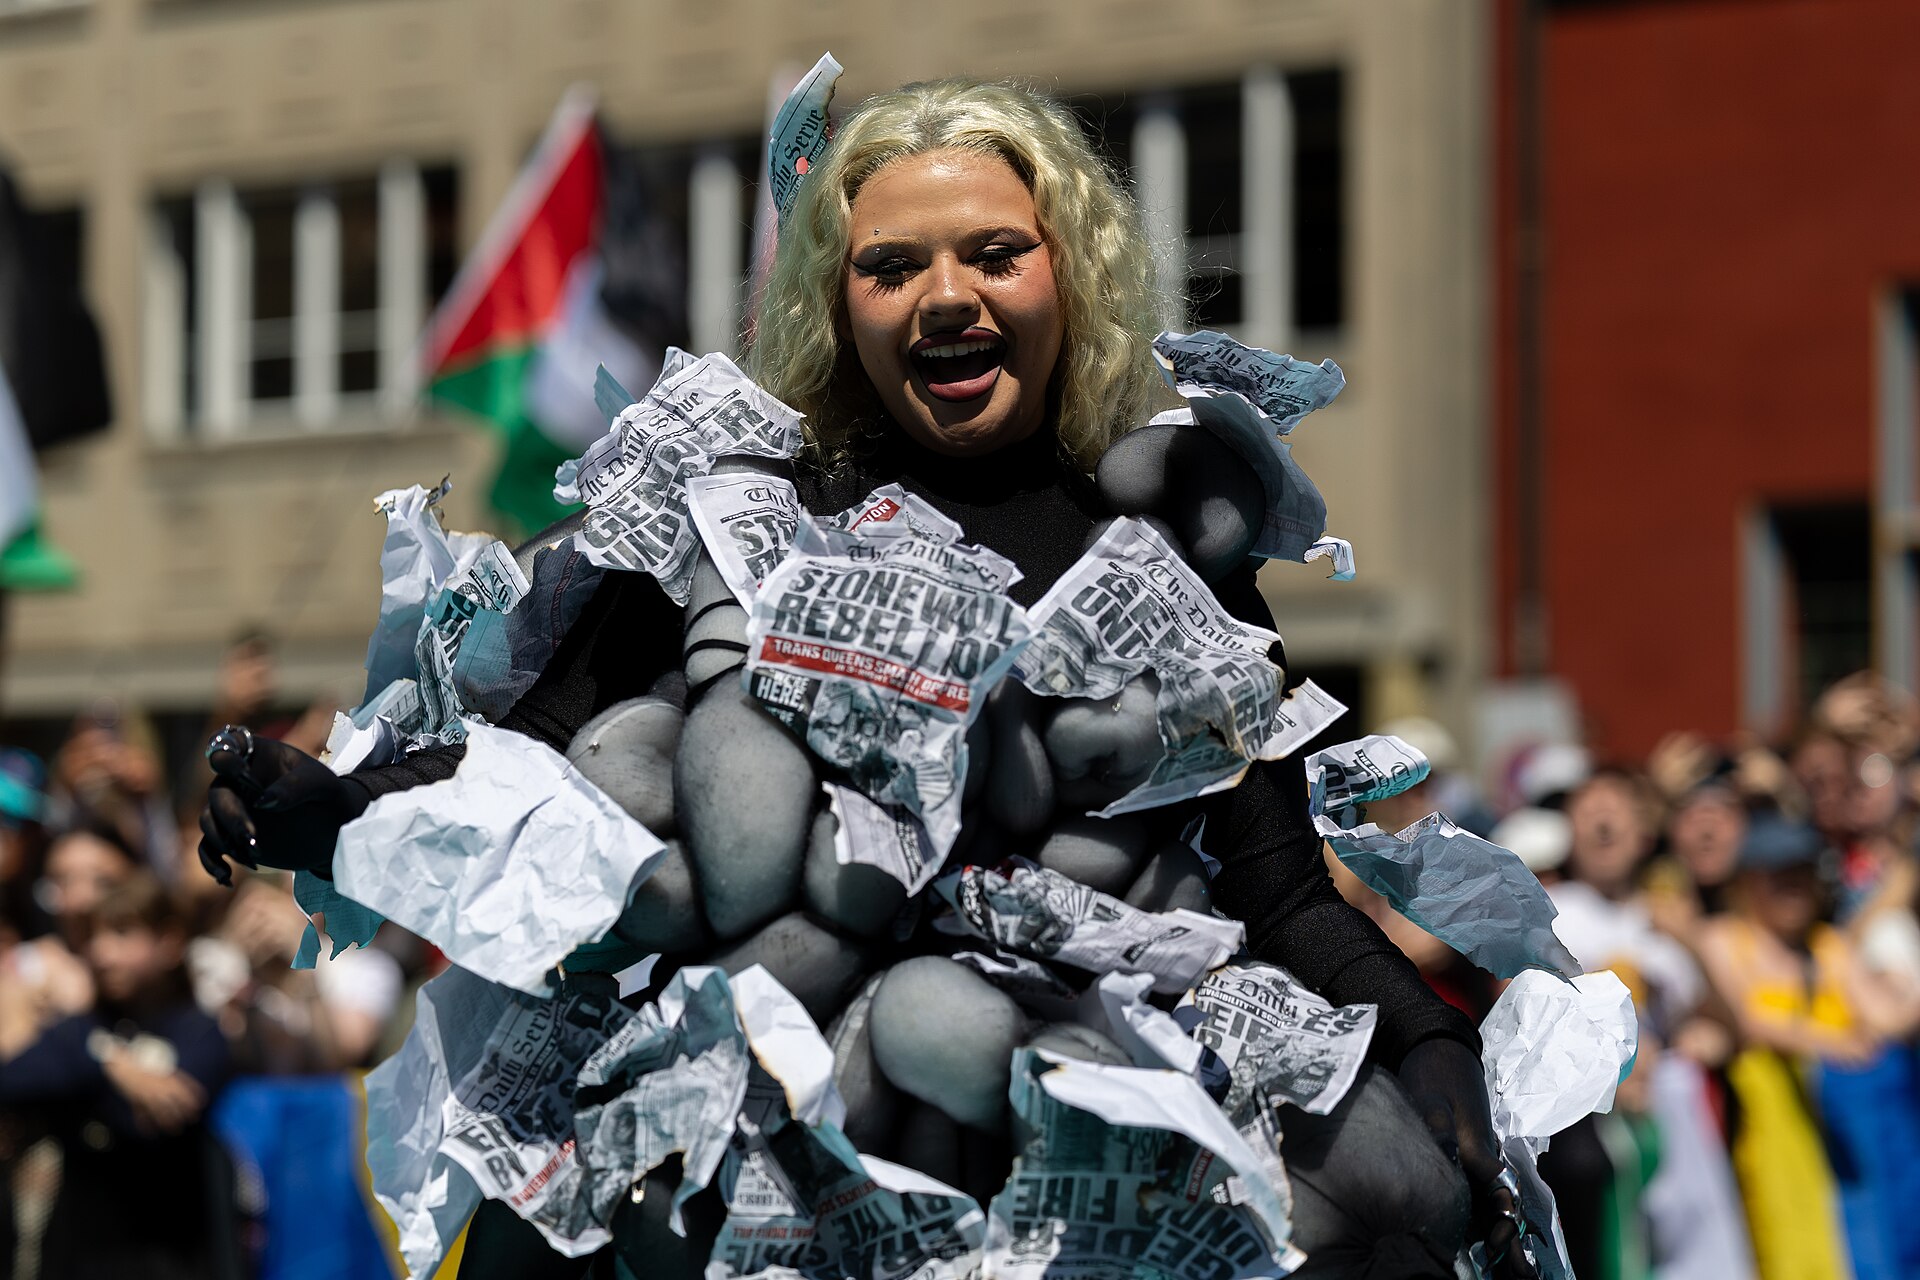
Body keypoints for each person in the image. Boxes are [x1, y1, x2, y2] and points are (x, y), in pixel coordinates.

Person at [195, 77, 1531, 1279]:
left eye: (995, 254)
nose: (946, 296)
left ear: (1072, 276)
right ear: (840, 302)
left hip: (1074, 1170)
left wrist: (1427, 1045)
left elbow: (1279, 883)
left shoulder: (1176, 539)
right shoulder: (728, 512)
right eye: (892, 267)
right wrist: (339, 809)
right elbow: (537, 773)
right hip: (776, 1160)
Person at [0, 872, 243, 1280]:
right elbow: (13, 1081)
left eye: (122, 934)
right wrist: (112, 1068)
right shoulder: (83, 1030)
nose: (102, 953)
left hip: (174, 1254)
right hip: (80, 1253)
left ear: (169, 942)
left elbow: (159, 1118)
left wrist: (83, 1081)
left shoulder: (198, 1030)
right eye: (93, 938)